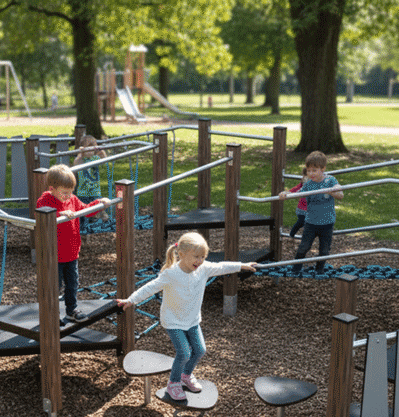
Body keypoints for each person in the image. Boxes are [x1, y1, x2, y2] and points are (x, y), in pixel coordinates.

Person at [116, 232, 257, 401]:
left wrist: (242, 265)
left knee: (199, 350)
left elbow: (221, 266)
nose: (200, 260)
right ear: (181, 255)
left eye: (203, 256)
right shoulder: (171, 274)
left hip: (192, 320)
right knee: (184, 352)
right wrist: (131, 300)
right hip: (173, 320)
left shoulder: (203, 269)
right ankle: (173, 383)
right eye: (196, 256)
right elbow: (150, 288)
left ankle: (185, 375)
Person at [36, 164, 112, 323]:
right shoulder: (45, 200)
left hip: (71, 252)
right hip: (53, 254)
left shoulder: (72, 199)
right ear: (52, 188)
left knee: (72, 284)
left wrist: (100, 203)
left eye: (70, 191)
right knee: (53, 287)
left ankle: (71, 310)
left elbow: (86, 210)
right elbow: (42, 215)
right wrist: (60, 213)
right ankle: (51, 315)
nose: (68, 195)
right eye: (64, 192)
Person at [279, 151, 344, 274]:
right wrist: (287, 193)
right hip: (311, 223)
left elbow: (340, 194)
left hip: (327, 223)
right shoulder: (309, 184)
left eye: (314, 170)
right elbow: (298, 194)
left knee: (324, 249)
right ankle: (296, 269)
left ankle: (319, 269)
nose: (311, 173)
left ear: (323, 168)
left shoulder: (330, 180)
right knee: (304, 246)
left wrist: (331, 190)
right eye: (308, 171)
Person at [74, 135, 108, 233]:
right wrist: (80, 153)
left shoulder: (95, 159)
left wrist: (100, 149)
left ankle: (101, 213)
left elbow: (104, 159)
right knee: (82, 211)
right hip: (82, 192)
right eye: (87, 149)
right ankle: (82, 229)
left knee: (99, 203)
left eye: (91, 149)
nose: (90, 152)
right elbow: (76, 163)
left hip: (94, 190)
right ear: (83, 150)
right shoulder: (80, 160)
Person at [287, 167, 308, 238]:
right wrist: (288, 192)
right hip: (302, 209)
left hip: (311, 209)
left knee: (308, 224)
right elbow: (295, 189)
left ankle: (306, 238)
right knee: (301, 222)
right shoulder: (304, 184)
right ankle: (292, 234)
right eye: (307, 175)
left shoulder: (317, 184)